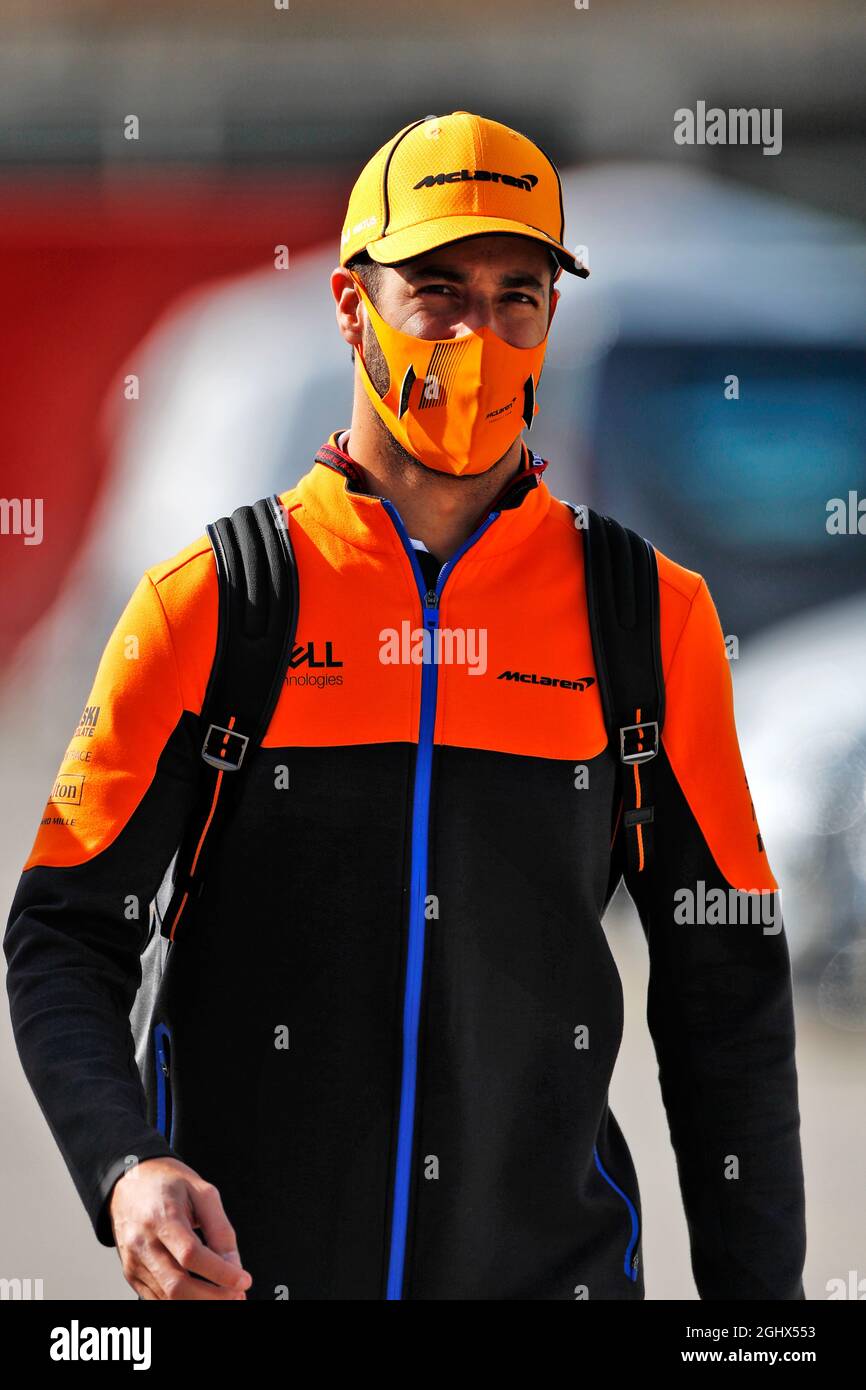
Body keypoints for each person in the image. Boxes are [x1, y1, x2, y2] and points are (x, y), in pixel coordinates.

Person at [3, 110, 806, 1301]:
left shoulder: (646, 616)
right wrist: (127, 1167)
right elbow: (64, 934)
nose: (479, 333)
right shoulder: (213, 603)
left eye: (516, 293)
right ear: (347, 304)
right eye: (436, 290)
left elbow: (723, 989)